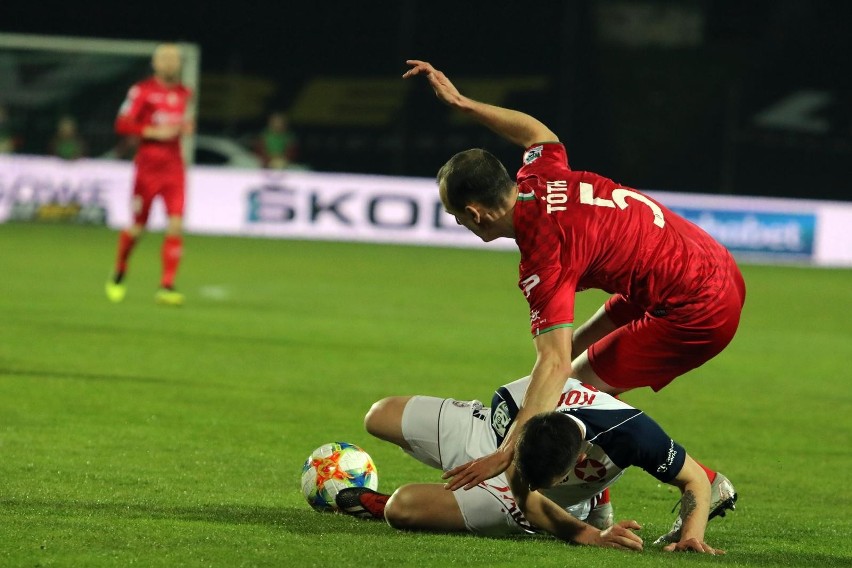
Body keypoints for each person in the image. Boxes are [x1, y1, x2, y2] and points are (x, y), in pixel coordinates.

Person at [402, 60, 746, 492]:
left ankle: (702, 482)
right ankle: (595, 495)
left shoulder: (545, 255)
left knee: (573, 391)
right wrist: (463, 104)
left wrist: (506, 451)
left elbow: (555, 362)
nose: (460, 224)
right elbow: (537, 133)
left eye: (457, 216)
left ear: (475, 212)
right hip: (709, 264)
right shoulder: (540, 175)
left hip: (695, 309)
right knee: (567, 375)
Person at [335, 376, 736, 554]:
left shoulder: (634, 433)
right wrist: (501, 454)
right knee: (379, 415)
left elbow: (696, 479)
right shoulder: (513, 404)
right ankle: (529, 474)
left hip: (538, 496)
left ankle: (581, 503)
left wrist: (691, 534)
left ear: (580, 458)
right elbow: (524, 468)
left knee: (400, 508)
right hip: (495, 443)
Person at [106, 43, 194, 306]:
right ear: (155, 63)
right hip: (147, 169)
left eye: (174, 59)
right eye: (164, 58)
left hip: (175, 168)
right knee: (138, 228)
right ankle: (120, 268)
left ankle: (166, 286)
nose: (169, 63)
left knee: (176, 223)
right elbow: (122, 123)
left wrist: (184, 127)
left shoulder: (185, 93)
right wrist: (154, 132)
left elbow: (180, 123)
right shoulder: (141, 91)